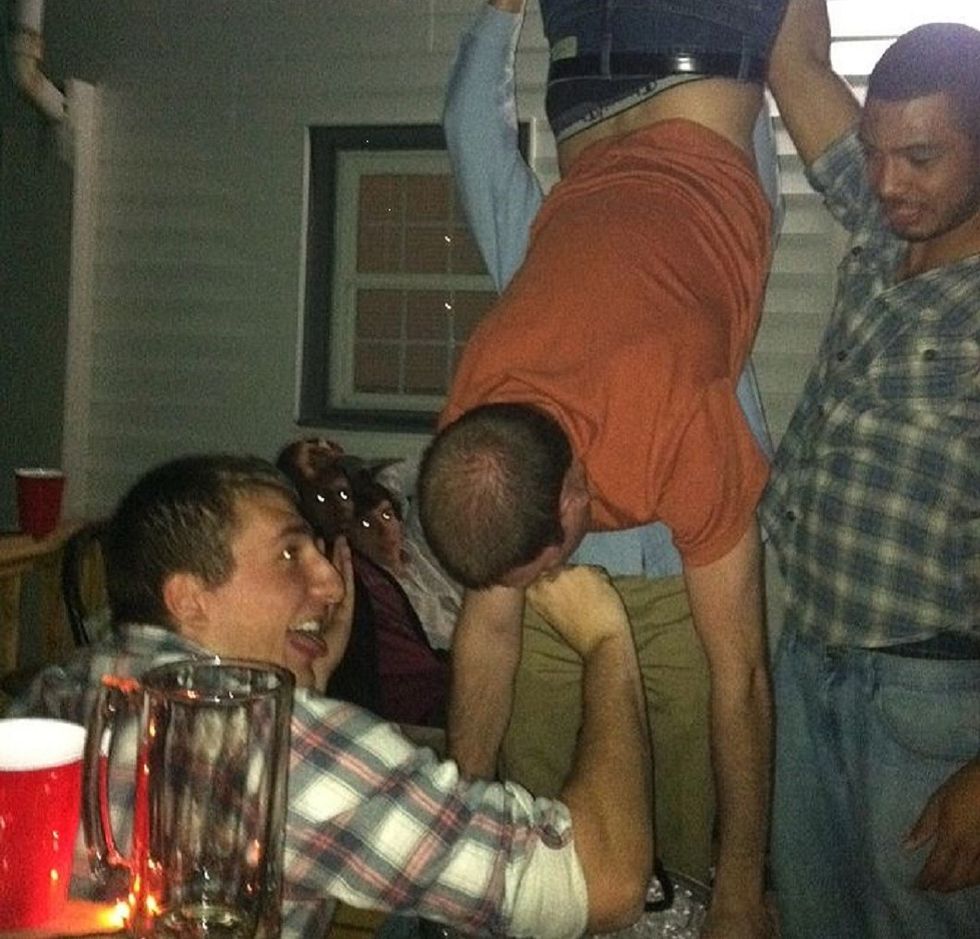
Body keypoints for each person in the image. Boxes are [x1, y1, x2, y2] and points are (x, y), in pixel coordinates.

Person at [419, 2, 787, 936]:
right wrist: (453, 837)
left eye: (548, 564)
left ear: (578, 493)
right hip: (590, 92)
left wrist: (738, 890)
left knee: (681, 841)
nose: (552, 579)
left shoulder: (679, 422)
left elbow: (741, 676)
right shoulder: (484, 422)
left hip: (699, 71)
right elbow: (489, 628)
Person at [13, 454, 654, 938]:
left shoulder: (58, 689)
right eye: (290, 554)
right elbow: (604, 882)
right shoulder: (282, 742)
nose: (331, 584)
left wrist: (309, 687)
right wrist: (608, 644)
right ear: (190, 598)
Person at [763, 6, 980, 937]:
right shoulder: (888, 219)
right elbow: (793, 58)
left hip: (932, 700)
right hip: (810, 656)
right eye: (874, 150)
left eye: (920, 157)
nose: (888, 180)